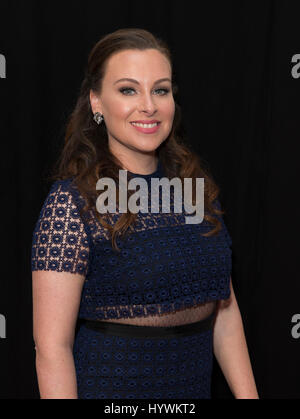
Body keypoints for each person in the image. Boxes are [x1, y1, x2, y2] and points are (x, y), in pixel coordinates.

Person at [31, 28, 259, 399]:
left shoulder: (195, 188)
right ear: (96, 102)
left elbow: (225, 313)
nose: (149, 106)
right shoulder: (72, 203)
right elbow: (51, 348)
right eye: (128, 90)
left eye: (160, 89)